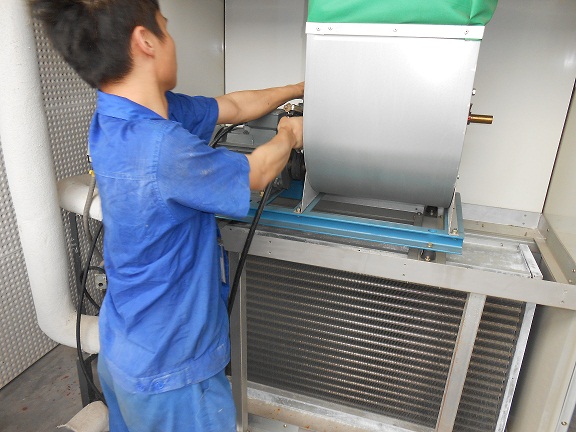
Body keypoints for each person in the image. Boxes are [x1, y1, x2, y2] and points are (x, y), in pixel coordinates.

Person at [30, 1, 304, 431]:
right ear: (145, 41)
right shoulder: (161, 147)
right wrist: (288, 133)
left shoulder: (118, 116)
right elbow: (257, 173)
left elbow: (233, 105)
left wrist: (296, 88)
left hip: (124, 348)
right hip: (173, 371)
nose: (172, 39)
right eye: (165, 27)